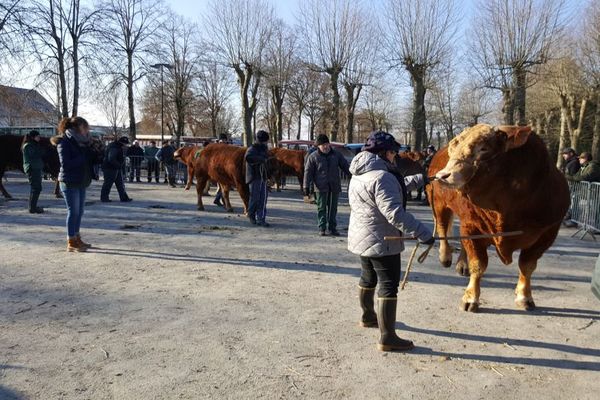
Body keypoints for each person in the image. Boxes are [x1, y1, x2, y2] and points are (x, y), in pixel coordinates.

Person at [348, 131, 434, 352]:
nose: (396, 156)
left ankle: (368, 317)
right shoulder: (382, 176)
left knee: (368, 277)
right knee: (388, 284)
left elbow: (392, 189)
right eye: (394, 152)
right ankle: (387, 337)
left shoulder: (362, 172)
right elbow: (394, 213)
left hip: (363, 236)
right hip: (382, 239)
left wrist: (422, 179)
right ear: (386, 152)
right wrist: (423, 233)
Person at [52, 116, 101, 252]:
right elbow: (66, 164)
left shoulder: (85, 142)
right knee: (73, 211)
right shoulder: (64, 142)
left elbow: (90, 160)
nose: (87, 130)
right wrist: (84, 156)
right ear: (76, 128)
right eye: (84, 127)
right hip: (69, 181)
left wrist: (96, 153)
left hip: (82, 180)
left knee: (80, 211)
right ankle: (71, 240)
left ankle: (77, 237)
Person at [303, 134, 350, 236]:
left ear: (329, 144)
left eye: (326, 144)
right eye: (322, 145)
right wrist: (305, 186)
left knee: (333, 208)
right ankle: (322, 227)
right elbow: (308, 172)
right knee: (321, 208)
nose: (325, 147)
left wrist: (352, 175)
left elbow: (345, 166)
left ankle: (332, 228)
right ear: (318, 146)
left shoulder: (336, 155)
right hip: (320, 187)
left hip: (334, 186)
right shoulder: (313, 157)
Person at [245, 130, 271, 226]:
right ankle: (251, 215)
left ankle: (261, 218)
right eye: (266, 140)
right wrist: (261, 159)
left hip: (263, 177)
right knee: (255, 198)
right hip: (254, 177)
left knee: (263, 199)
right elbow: (248, 157)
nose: (267, 142)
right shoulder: (252, 149)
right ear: (261, 140)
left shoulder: (264, 149)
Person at [101, 136, 132, 202]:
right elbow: (111, 158)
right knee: (108, 183)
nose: (126, 145)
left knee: (120, 183)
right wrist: (118, 165)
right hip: (110, 168)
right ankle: (104, 197)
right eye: (125, 144)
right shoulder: (114, 147)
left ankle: (123, 197)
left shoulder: (116, 146)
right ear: (122, 143)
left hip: (115, 168)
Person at [21, 130, 45, 213]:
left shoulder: (33, 145)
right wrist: (41, 150)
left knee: (37, 188)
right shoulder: (28, 146)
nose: (39, 138)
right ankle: (32, 208)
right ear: (33, 137)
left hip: (36, 168)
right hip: (32, 168)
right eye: (38, 136)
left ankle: (33, 206)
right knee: (36, 188)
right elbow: (34, 155)